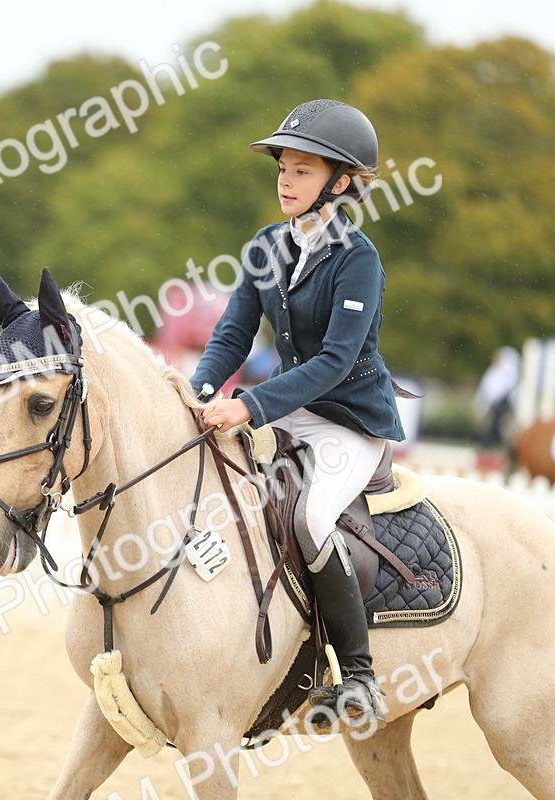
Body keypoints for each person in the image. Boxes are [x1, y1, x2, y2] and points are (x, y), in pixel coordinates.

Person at [191, 99, 404, 729]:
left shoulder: (358, 259)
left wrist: (250, 405)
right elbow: (232, 337)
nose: (285, 180)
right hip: (286, 409)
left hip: (349, 420)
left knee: (309, 517)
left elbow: (338, 361)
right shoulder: (265, 246)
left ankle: (357, 676)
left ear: (340, 182)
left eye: (303, 170)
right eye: (283, 166)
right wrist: (201, 390)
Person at [474, 346, 520, 454]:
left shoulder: (508, 373)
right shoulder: (493, 373)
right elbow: (485, 390)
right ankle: (486, 450)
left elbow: (505, 388)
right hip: (495, 406)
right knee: (493, 430)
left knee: (499, 431)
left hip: (503, 405)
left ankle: (488, 450)